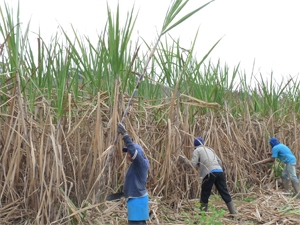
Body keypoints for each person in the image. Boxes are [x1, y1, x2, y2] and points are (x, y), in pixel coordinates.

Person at [179, 137, 237, 214]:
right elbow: (219, 161)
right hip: (219, 171)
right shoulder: (210, 149)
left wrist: (183, 160)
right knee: (224, 192)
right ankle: (234, 213)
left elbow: (192, 164)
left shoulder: (197, 150)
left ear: (194, 145)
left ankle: (203, 214)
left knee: (205, 193)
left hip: (209, 173)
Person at [117, 122, 150, 225]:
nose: (128, 155)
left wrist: (125, 135)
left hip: (137, 201)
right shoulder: (137, 165)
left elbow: (133, 149)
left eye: (129, 153)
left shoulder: (140, 162)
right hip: (136, 200)